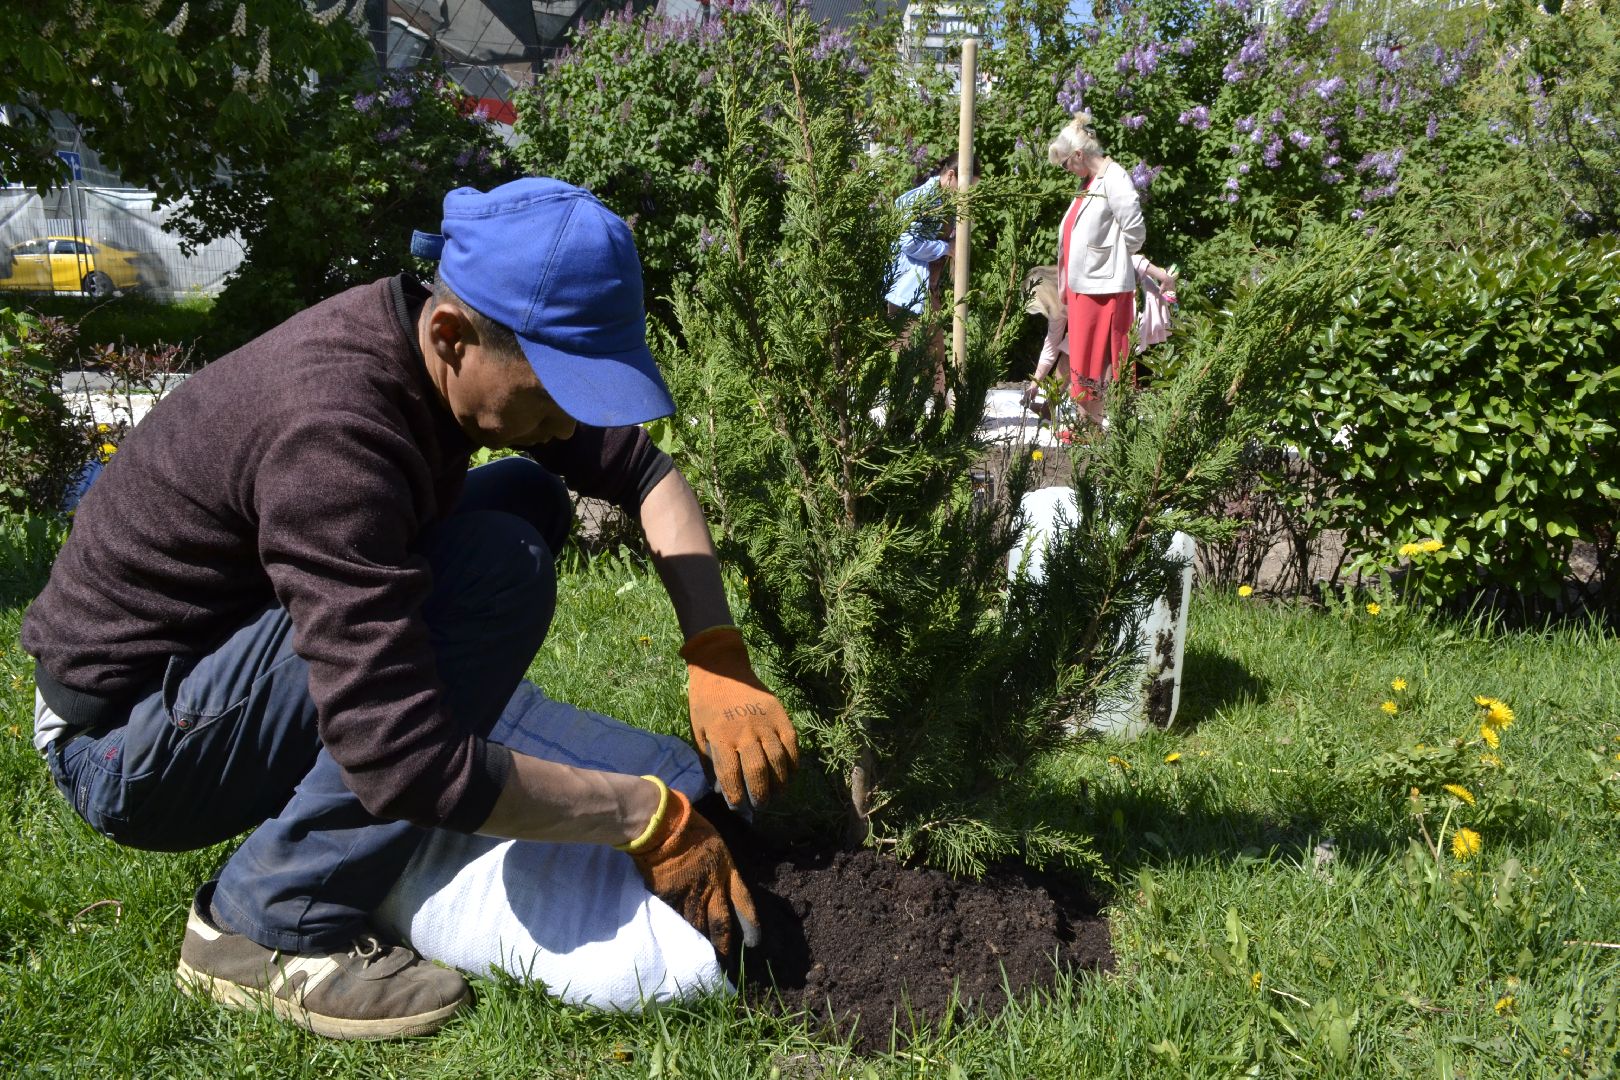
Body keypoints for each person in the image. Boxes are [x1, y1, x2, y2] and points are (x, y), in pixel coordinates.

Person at [21, 177, 799, 1040]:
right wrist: (646, 819)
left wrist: (715, 650)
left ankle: (368, 786)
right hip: (129, 742)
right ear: (450, 336)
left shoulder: (443, 345)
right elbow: (402, 763)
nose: (564, 423)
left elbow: (646, 473)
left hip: (216, 667)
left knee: (527, 498)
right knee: (499, 568)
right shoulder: (336, 435)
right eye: (553, 393)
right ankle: (264, 923)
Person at [1046, 112, 1147, 424]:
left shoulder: (1114, 178)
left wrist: (1111, 258)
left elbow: (1135, 232)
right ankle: (1087, 427)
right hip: (1085, 286)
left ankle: (1093, 426)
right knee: (1083, 361)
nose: (1066, 170)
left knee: (1100, 361)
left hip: (1104, 287)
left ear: (1078, 154)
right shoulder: (1089, 182)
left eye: (1066, 164)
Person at [1019, 253, 1178, 419]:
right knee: (1070, 351)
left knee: (1099, 365)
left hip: (1125, 314)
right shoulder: (1057, 309)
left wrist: (1164, 278)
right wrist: (1034, 384)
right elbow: (1051, 345)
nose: (1046, 311)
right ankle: (1051, 408)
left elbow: (1130, 260)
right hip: (1102, 323)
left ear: (1048, 296)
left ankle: (1093, 421)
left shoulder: (1081, 275)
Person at [885, 151, 979, 395]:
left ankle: (941, 411)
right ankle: (902, 412)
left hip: (929, 294)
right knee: (904, 362)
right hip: (908, 295)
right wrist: (947, 248)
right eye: (967, 187)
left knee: (935, 358)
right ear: (951, 176)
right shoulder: (920, 200)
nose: (968, 194)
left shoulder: (949, 203)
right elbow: (908, 242)